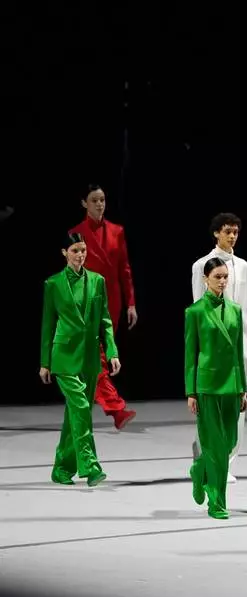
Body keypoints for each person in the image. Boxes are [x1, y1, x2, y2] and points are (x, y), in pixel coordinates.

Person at [40, 232, 121, 486]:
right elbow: (47, 325)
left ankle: (62, 468)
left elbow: (105, 321)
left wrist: (112, 351)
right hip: (63, 356)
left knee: (74, 414)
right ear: (65, 253)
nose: (81, 255)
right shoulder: (53, 284)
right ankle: (90, 465)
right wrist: (44, 362)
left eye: (83, 250)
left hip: (88, 357)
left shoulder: (97, 281)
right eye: (75, 250)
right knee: (81, 408)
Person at [190, 213, 247, 483]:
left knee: (236, 406)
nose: (232, 236)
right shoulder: (201, 265)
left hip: (239, 344)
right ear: (216, 233)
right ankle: (206, 457)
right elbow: (199, 307)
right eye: (227, 231)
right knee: (209, 404)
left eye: (235, 231)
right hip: (212, 345)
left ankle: (227, 461)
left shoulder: (242, 266)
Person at [69, 184, 137, 430]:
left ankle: (92, 405)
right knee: (96, 356)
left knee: (98, 356)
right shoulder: (76, 233)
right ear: (84, 203)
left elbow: (124, 268)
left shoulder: (117, 231)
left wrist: (130, 302)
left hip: (113, 300)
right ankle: (115, 408)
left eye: (102, 200)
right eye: (94, 200)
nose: (99, 204)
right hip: (87, 301)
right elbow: (73, 271)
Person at [185, 258, 247, 520]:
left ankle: (199, 469)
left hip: (232, 384)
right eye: (217, 277)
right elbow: (190, 354)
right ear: (205, 278)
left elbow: (238, 351)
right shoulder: (195, 312)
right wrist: (191, 391)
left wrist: (243, 389)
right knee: (214, 446)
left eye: (225, 277)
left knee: (229, 442)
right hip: (208, 384)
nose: (222, 281)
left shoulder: (235, 309)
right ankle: (217, 502)